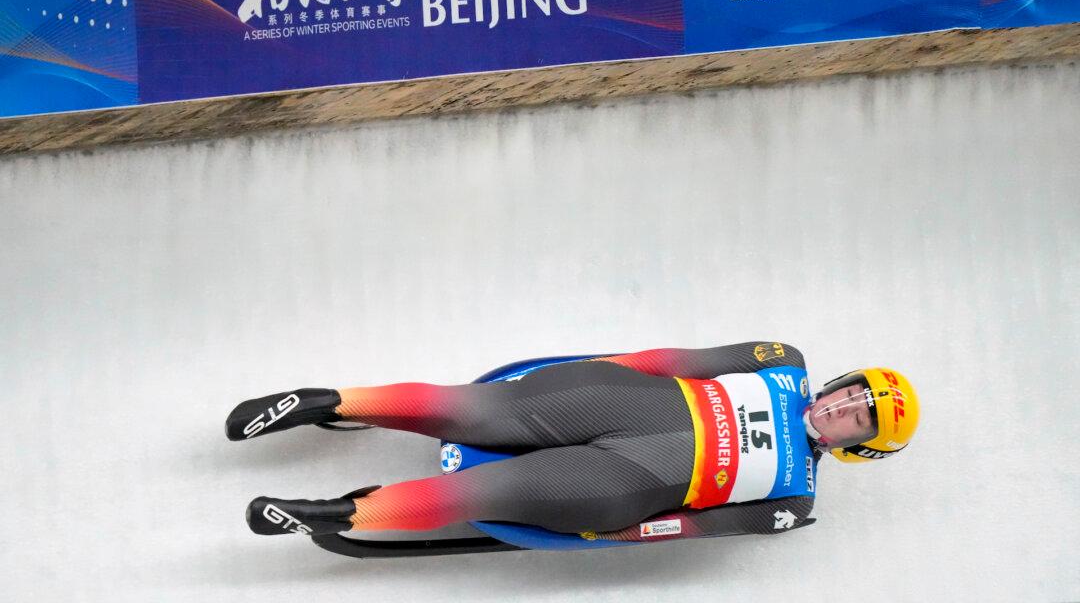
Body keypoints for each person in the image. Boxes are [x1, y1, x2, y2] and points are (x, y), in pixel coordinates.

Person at [226, 342, 919, 542]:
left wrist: (621, 533)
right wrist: (604, 369)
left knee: (484, 491)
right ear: (837, 381)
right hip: (619, 399)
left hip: (631, 478)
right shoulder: (781, 361)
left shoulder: (795, 501)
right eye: (851, 394)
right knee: (469, 411)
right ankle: (331, 404)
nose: (842, 408)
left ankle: (333, 513)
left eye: (859, 418)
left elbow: (694, 527)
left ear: (861, 446)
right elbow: (681, 360)